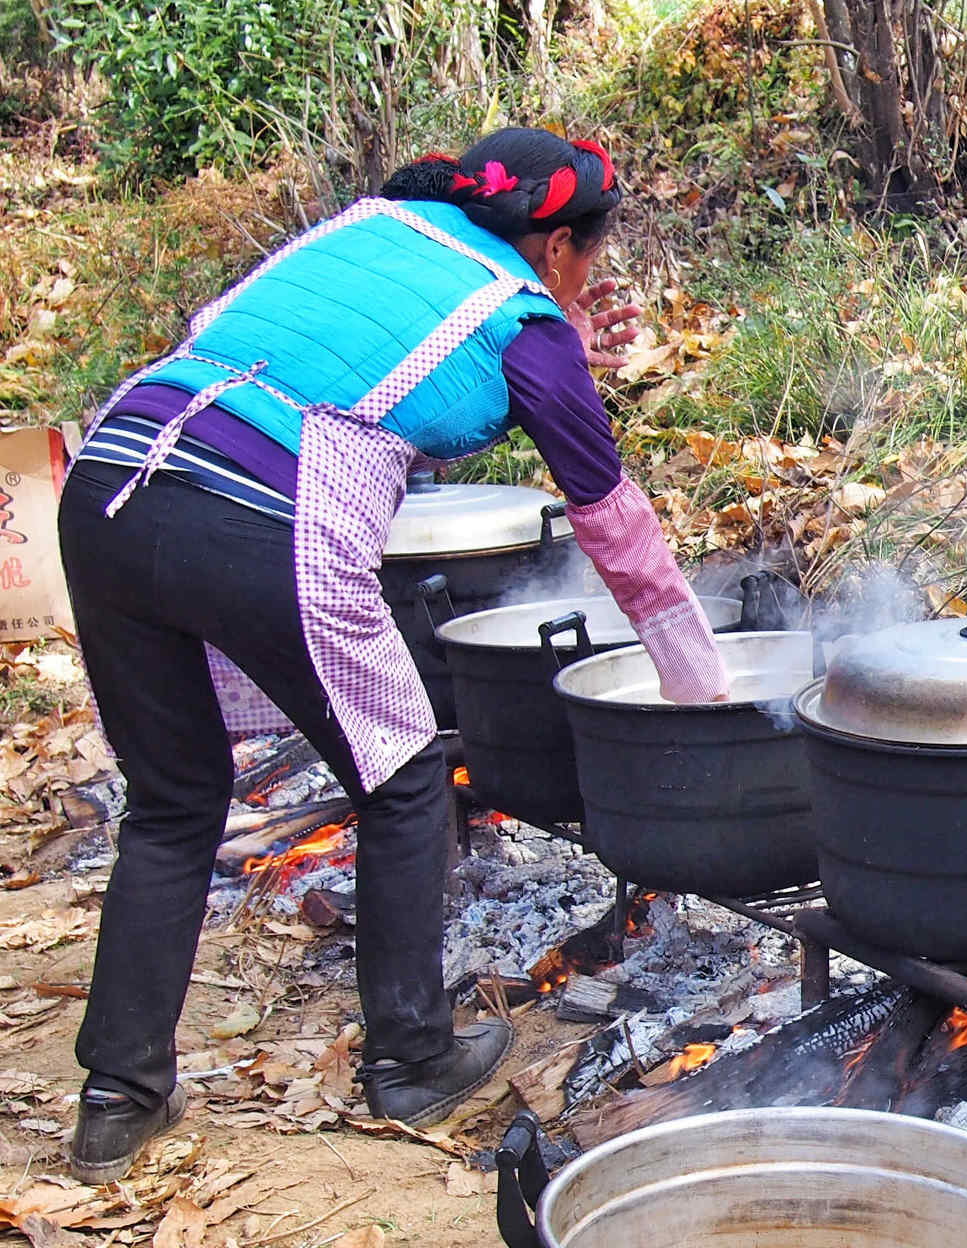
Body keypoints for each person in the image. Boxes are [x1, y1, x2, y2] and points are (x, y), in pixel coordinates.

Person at [58, 128, 727, 1181]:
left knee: (174, 797)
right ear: (556, 246)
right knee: (406, 771)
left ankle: (117, 1092)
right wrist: (700, 680)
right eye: (590, 258)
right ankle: (414, 1055)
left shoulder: (378, 228)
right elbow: (610, 518)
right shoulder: (525, 318)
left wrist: (562, 351)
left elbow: (331, 358)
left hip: (108, 478)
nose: (588, 280)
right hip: (254, 518)